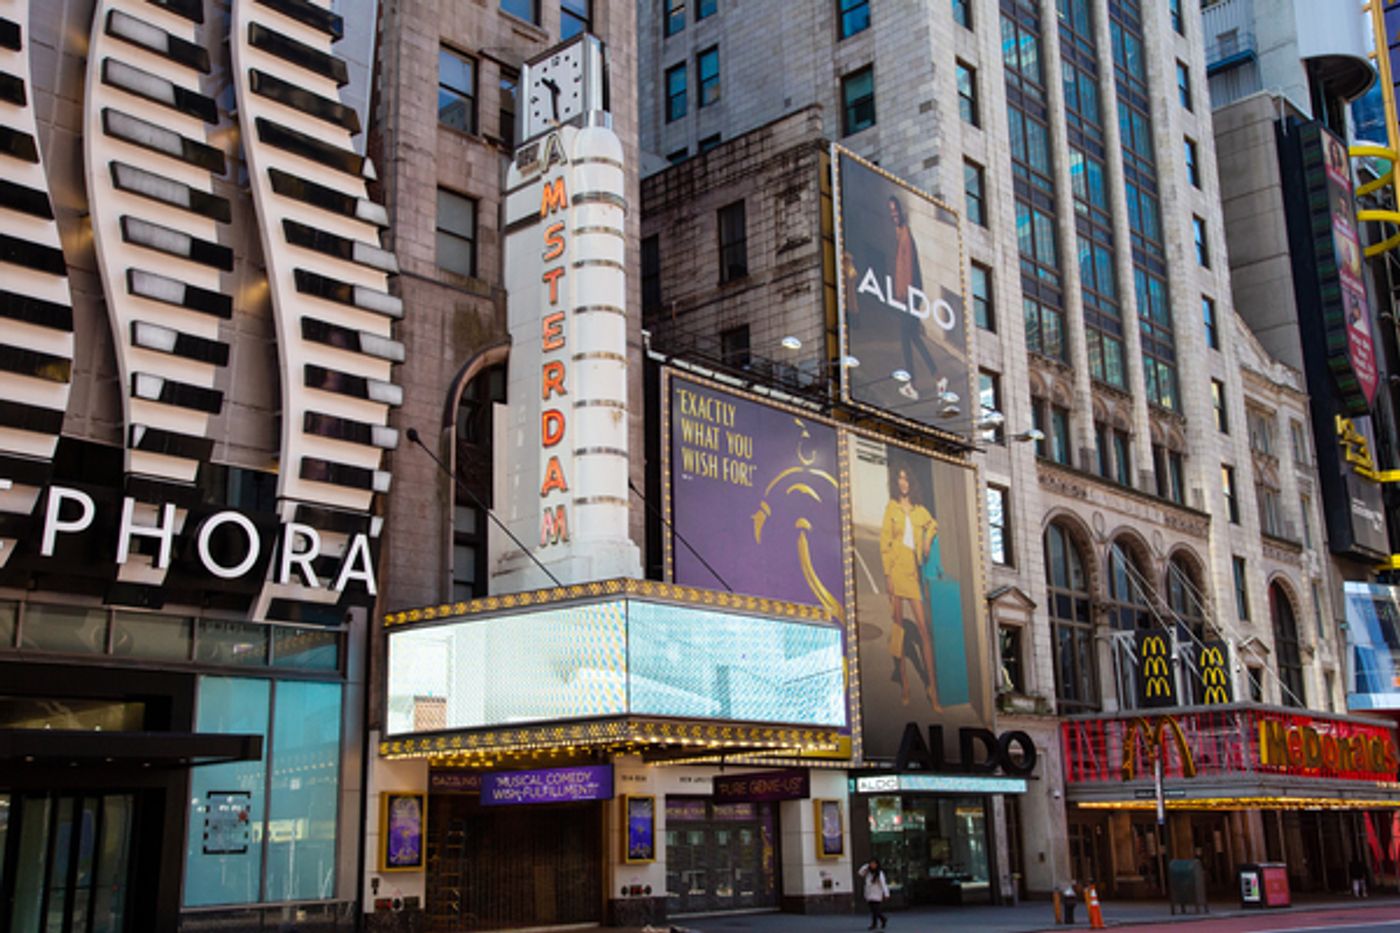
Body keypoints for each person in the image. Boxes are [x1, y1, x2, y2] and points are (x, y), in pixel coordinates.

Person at [879, 465, 940, 709]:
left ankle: (931, 688)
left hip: (912, 571)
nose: (903, 483)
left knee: (924, 632)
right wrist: (887, 577)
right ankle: (904, 683)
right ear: (896, 483)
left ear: (910, 483)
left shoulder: (919, 510)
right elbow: (884, 543)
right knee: (899, 629)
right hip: (895, 568)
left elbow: (933, 524)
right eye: (899, 478)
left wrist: (926, 540)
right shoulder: (891, 508)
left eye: (906, 478)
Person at [886, 196, 939, 402]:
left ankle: (913, 384)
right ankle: (937, 377)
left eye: (896, 210)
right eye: (891, 211)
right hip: (910, 295)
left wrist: (903, 297)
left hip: (909, 296)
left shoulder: (905, 234)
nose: (893, 215)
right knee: (912, 337)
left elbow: (907, 268)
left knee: (905, 339)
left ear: (901, 211)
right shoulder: (899, 232)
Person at [858, 858, 890, 929]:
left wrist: (886, 893)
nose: (872, 865)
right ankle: (880, 921)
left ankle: (879, 921)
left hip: (877, 893)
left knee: (875, 909)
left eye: (874, 864)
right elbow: (860, 872)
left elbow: (883, 884)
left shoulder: (879, 873)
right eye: (871, 863)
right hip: (869, 893)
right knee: (873, 910)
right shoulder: (868, 872)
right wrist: (866, 866)